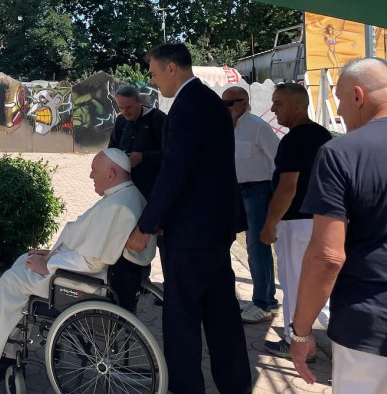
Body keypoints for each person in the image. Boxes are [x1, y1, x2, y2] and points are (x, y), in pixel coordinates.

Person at [126, 43, 251, 394]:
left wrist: (145, 225)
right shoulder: (209, 101)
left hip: (190, 232)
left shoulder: (186, 107)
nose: (153, 81)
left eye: (154, 73)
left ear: (171, 68)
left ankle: (185, 387)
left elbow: (175, 172)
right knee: (221, 311)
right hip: (215, 227)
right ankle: (236, 384)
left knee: (181, 316)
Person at [0, 148, 154, 384]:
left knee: (10, 280)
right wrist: (52, 253)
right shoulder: (128, 195)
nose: (90, 175)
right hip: (92, 274)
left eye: (94, 170)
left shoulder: (117, 207)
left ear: (111, 173)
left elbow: (91, 261)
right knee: (23, 261)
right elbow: (93, 247)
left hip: (84, 283)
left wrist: (48, 264)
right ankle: (5, 350)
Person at [290, 58, 387, 391]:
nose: (341, 112)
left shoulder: (341, 153)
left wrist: (301, 331)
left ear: (358, 96)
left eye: (340, 100)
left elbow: (327, 257)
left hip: (368, 328)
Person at [259, 82, 332, 360]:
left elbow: (287, 186)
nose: (273, 109)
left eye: (278, 104)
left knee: (295, 283)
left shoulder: (293, 140)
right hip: (321, 219)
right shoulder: (322, 134)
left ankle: (296, 341)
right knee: (320, 282)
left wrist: (270, 223)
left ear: (298, 106)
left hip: (296, 222)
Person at [221, 86, 280, 324]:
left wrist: (276, 196)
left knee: (257, 247)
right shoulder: (226, 128)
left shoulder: (258, 127)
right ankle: (264, 299)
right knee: (243, 245)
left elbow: (279, 161)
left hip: (258, 191)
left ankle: (264, 303)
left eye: (228, 103)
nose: (225, 108)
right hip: (235, 191)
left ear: (243, 103)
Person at [108, 84, 166, 201]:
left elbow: (171, 153)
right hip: (125, 187)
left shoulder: (157, 118)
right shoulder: (121, 120)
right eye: (121, 108)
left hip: (153, 189)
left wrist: (143, 157)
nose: (125, 112)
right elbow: (112, 148)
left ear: (139, 101)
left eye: (129, 107)